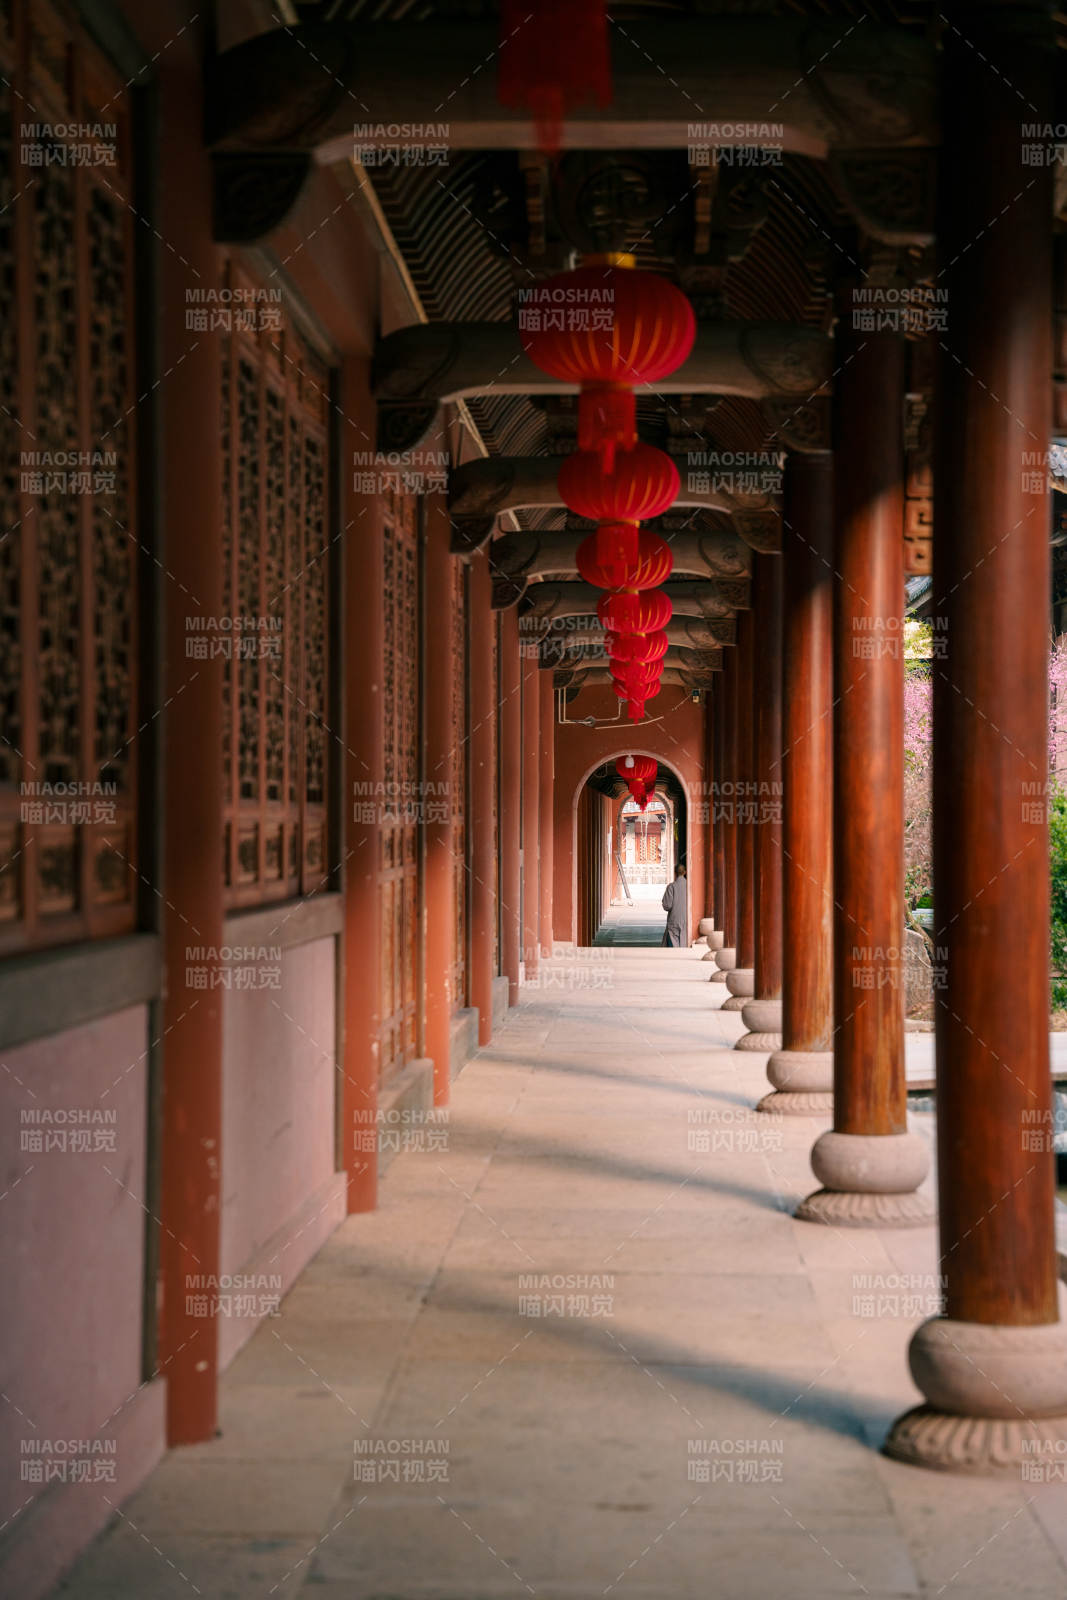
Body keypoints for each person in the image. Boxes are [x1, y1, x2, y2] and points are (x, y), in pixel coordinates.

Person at [661, 862, 688, 947]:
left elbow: (667, 905)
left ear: (675, 872)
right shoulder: (690, 886)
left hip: (674, 920)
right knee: (685, 942)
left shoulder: (671, 887)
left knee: (673, 944)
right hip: (686, 919)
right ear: (685, 872)